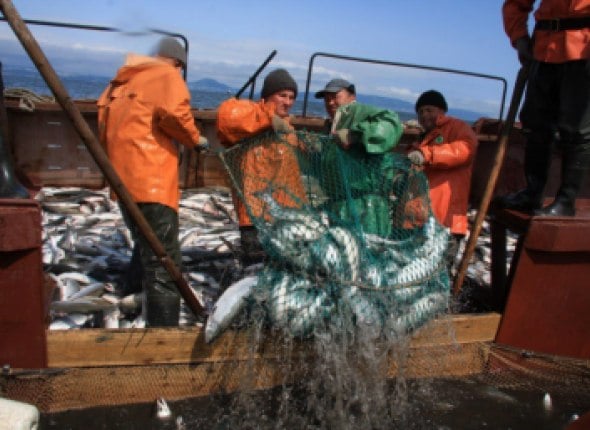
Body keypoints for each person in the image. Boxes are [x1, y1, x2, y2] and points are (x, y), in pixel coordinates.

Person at [97, 37, 208, 327]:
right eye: (181, 67)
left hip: (124, 184)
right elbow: (175, 115)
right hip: (153, 182)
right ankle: (163, 331)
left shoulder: (120, 83)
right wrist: (196, 139)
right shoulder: (166, 75)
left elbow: (102, 127)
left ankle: (130, 299)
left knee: (145, 243)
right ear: (177, 62)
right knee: (164, 261)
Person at [496, 0, 590, 217]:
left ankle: (566, 201)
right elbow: (515, 4)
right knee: (535, 124)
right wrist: (519, 38)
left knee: (576, 130)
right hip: (543, 49)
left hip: (583, 54)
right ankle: (531, 193)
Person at [217, 68, 307, 264]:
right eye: (282, 95)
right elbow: (226, 116)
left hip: (284, 216)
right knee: (254, 270)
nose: (288, 102)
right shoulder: (251, 115)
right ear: (266, 96)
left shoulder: (289, 130)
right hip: (254, 217)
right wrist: (269, 120)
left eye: (292, 97)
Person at [407, 90, 478, 270]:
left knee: (438, 272)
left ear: (442, 110)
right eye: (421, 112)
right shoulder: (422, 139)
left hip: (445, 220)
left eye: (429, 110)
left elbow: (465, 150)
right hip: (420, 219)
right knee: (414, 269)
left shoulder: (457, 128)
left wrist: (427, 154)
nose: (424, 115)